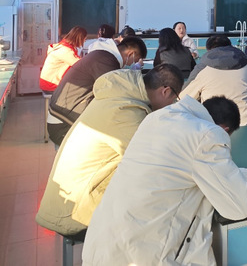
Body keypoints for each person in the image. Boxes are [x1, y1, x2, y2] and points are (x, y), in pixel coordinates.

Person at [81, 96, 247, 265]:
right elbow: (240, 207)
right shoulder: (207, 135)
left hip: (102, 241)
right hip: (144, 253)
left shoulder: (156, 118)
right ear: (225, 129)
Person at [36, 64, 183, 238]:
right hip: (74, 213)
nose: (172, 105)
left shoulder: (118, 96)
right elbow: (150, 162)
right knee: (163, 215)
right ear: (165, 91)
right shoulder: (125, 112)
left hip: (69, 199)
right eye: (174, 100)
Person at [48, 36, 148, 146]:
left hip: (62, 114)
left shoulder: (102, 55)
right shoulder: (105, 61)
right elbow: (116, 95)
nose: (130, 65)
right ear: (131, 54)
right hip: (64, 122)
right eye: (134, 61)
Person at [182, 34, 247, 126]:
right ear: (230, 46)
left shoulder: (202, 68)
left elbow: (184, 97)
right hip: (246, 125)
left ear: (208, 50)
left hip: (214, 127)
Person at [39, 26, 87, 92]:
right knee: (85, 89)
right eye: (84, 39)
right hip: (52, 85)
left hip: (49, 83)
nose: (84, 41)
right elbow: (81, 66)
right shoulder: (65, 50)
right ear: (79, 39)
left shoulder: (63, 47)